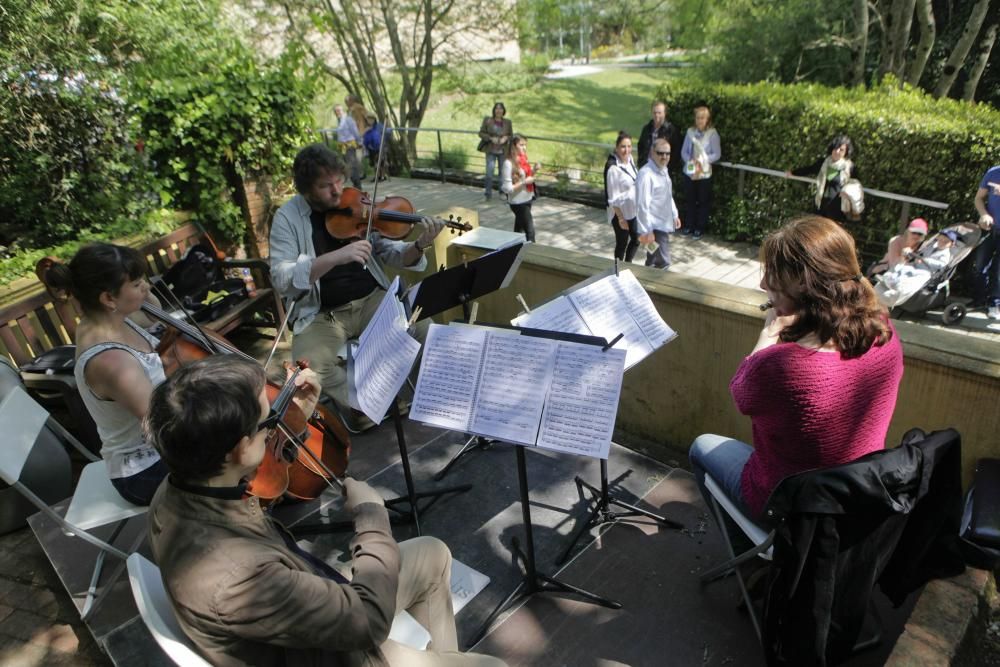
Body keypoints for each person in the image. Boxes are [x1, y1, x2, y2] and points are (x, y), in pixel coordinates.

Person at [146, 355, 508, 667]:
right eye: (268, 421)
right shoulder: (238, 578)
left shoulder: (184, 483)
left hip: (306, 616)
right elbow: (369, 621)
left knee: (433, 553)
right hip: (337, 652)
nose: (276, 421)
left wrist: (298, 418)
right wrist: (370, 517)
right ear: (240, 449)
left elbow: (260, 476)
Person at [689, 216, 903, 527]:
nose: (763, 285)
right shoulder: (886, 332)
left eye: (772, 274)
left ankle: (752, 556)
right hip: (859, 497)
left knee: (701, 446)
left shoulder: (783, 365)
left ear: (802, 280)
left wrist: (770, 331)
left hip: (791, 511)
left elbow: (742, 393)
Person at [269, 144, 444, 431]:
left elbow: (393, 253)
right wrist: (335, 257)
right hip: (322, 314)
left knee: (421, 327)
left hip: (371, 299)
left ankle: (380, 394)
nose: (338, 191)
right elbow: (281, 277)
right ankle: (367, 400)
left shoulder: (356, 203)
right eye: (326, 186)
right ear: (306, 189)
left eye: (340, 180)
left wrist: (420, 244)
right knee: (308, 368)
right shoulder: (288, 218)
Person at [43, 243, 167, 505]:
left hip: (162, 448)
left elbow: (157, 316)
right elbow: (163, 423)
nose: (145, 286)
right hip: (144, 471)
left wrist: (141, 290)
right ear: (109, 298)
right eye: (136, 283)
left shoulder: (111, 320)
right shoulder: (111, 362)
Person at [875, 228, 957, 309]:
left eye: (945, 242)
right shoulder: (930, 246)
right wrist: (912, 254)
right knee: (902, 269)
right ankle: (889, 280)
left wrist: (927, 260)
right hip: (916, 266)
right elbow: (920, 254)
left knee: (913, 281)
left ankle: (897, 291)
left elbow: (942, 264)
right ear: (937, 238)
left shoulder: (946, 254)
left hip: (926, 272)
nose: (942, 243)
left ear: (951, 244)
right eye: (940, 240)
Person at [787, 135, 860, 224]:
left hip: (838, 209)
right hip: (821, 205)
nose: (837, 152)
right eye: (835, 148)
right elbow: (809, 169)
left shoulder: (849, 167)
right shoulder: (823, 163)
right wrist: (793, 173)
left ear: (846, 152)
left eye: (841, 150)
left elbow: (855, 184)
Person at [635, 136, 682, 270]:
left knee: (653, 260)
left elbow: (667, 195)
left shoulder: (662, 169)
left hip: (662, 225)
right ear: (652, 153)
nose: (664, 157)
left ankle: (648, 286)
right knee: (663, 263)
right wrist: (647, 231)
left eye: (667, 153)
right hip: (654, 228)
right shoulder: (646, 175)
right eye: (660, 153)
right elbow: (642, 205)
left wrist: (674, 214)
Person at [680, 104, 721, 240]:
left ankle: (700, 227)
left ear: (707, 119)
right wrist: (691, 161)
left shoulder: (712, 134)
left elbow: (717, 154)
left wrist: (702, 160)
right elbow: (684, 151)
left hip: (704, 172)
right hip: (690, 170)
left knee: (703, 200)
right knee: (690, 199)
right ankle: (689, 225)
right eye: (698, 118)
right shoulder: (690, 132)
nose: (700, 121)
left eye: (702, 118)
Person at [604, 131, 640, 262]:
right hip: (620, 213)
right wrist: (620, 218)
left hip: (633, 210)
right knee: (622, 243)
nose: (627, 150)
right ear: (617, 148)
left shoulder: (630, 160)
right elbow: (612, 198)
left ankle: (628, 264)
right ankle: (617, 270)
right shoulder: (613, 169)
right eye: (623, 147)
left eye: (629, 146)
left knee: (636, 239)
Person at [972, 165, 1000, 319]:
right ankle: (979, 301)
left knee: (998, 271)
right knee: (979, 266)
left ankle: (995, 304)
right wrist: (984, 214)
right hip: (988, 228)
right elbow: (978, 198)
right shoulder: (993, 172)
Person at [500, 134, 538, 242]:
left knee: (518, 230)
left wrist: (534, 170)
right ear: (513, 145)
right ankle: (532, 256)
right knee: (530, 232)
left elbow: (527, 177)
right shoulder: (508, 163)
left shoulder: (522, 159)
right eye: (521, 145)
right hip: (518, 203)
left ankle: (513, 251)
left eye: (525, 145)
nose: (524, 148)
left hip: (527, 199)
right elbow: (507, 189)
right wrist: (524, 182)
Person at [478, 102, 513, 201]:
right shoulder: (488, 120)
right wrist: (490, 138)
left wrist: (506, 138)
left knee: (502, 173)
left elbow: (511, 135)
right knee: (489, 173)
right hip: (491, 150)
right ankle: (487, 195)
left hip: (503, 151)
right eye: (497, 108)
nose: (498, 110)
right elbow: (481, 133)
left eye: (501, 108)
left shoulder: (508, 122)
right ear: (494, 110)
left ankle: (502, 192)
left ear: (503, 111)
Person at [637, 100, 680, 172]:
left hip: (662, 169)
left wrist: (668, 168)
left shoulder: (671, 130)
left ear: (665, 113)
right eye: (654, 113)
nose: (657, 115)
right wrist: (641, 162)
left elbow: (676, 152)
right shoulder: (646, 129)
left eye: (659, 113)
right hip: (646, 167)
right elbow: (640, 146)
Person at [334, 104, 364, 188]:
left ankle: (358, 186)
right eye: (336, 111)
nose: (337, 113)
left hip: (349, 146)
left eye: (339, 110)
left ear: (342, 110)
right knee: (347, 166)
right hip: (343, 147)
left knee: (352, 166)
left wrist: (360, 142)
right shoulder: (339, 121)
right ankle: (355, 183)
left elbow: (355, 131)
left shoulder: (348, 119)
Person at [362, 113, 389, 181]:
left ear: (374, 119)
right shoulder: (366, 128)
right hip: (371, 148)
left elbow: (386, 133)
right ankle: (377, 176)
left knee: (381, 162)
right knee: (374, 163)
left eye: (371, 119)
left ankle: (382, 176)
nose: (370, 121)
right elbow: (363, 137)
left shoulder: (379, 126)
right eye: (368, 119)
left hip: (380, 147)